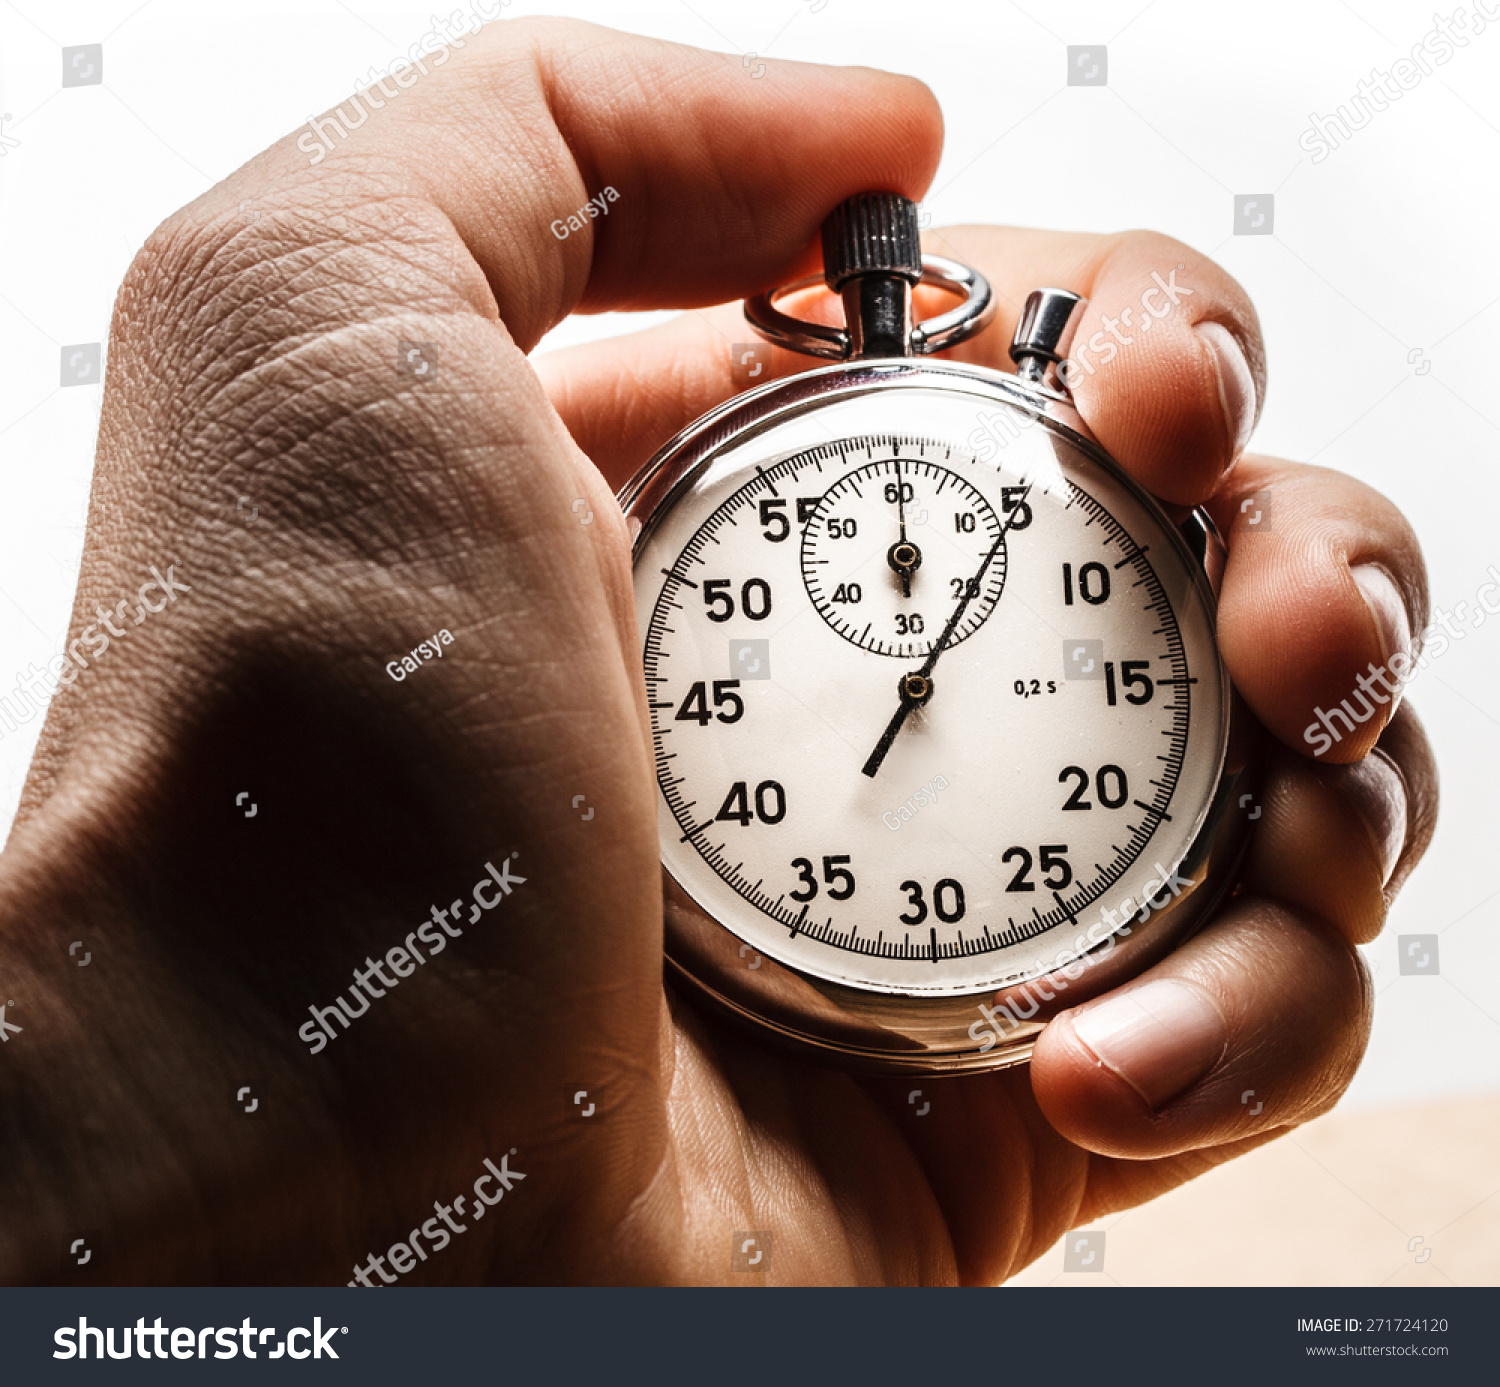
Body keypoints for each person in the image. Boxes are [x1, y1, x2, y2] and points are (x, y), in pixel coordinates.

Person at [0, 19, 1435, 1285]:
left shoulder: (1059, 477)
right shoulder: (627, 538)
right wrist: (165, 1018)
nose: (910, 682)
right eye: (903, 672)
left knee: (1287, 692)